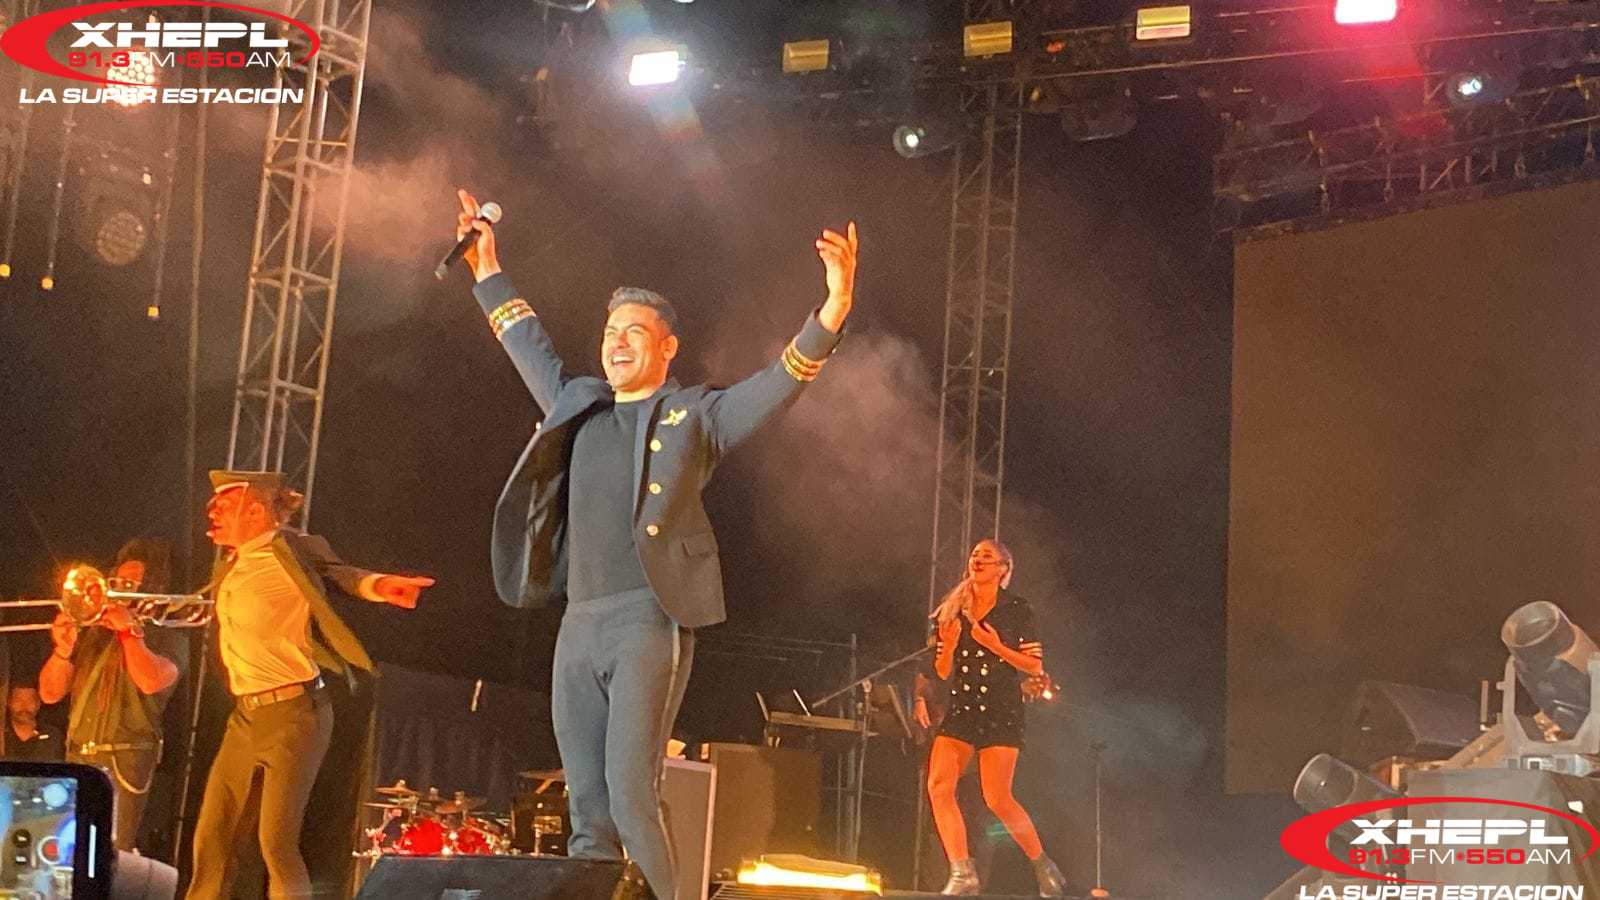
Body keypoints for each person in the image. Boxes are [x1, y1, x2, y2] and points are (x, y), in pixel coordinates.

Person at [453, 188, 858, 899]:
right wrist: (488, 268)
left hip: (646, 618)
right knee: (586, 805)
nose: (617, 341)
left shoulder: (694, 417)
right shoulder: (578, 405)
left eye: (634, 331)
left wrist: (833, 307)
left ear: (667, 348)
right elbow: (527, 345)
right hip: (579, 623)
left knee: (630, 792)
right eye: (611, 329)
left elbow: (777, 384)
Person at [186, 470, 433, 899]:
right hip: (246, 716)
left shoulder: (291, 550)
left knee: (275, 843)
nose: (213, 514)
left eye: (223, 507)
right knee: (212, 837)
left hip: (295, 714)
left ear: (255, 511)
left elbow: (340, 573)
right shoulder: (232, 563)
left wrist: (379, 585)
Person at [915, 539, 1066, 896]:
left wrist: (995, 646)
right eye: (974, 555)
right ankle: (962, 870)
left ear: (1003, 569)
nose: (978, 560)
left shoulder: (1016, 609)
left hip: (1001, 707)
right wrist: (949, 647)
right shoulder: (952, 609)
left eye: (987, 556)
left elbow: (1034, 665)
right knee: (938, 785)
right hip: (963, 706)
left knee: (997, 797)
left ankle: (1043, 864)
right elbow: (941, 671)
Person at [38, 537, 185, 851]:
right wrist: (63, 650)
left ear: (151, 590)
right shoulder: (94, 635)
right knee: (68, 853)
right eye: (115, 582)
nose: (117, 591)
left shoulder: (166, 636)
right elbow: (49, 694)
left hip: (123, 761)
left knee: (109, 854)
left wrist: (129, 632)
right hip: (77, 757)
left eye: (129, 585)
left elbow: (151, 681)